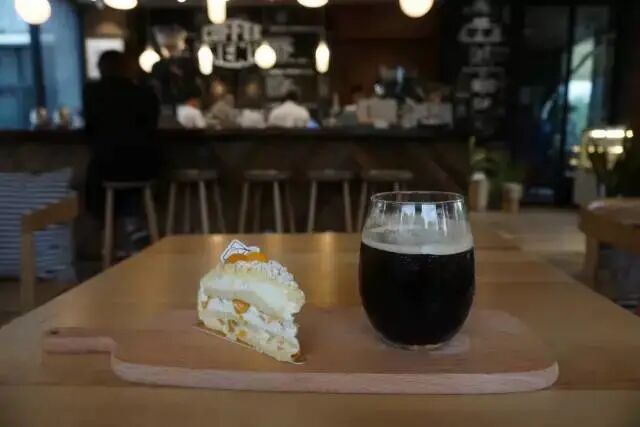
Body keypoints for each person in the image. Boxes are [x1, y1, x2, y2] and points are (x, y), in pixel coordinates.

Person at [84, 50, 160, 219]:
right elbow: (152, 129)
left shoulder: (92, 93)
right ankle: (134, 222)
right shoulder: (146, 94)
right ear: (128, 69)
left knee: (96, 172)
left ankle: (105, 226)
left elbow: (89, 128)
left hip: (105, 168)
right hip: (143, 167)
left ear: (101, 69)